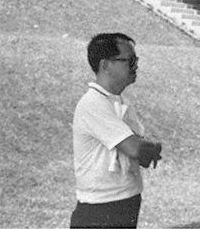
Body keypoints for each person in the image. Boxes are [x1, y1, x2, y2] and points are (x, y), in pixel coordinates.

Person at [70, 33, 163, 229]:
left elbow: (141, 155)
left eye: (136, 60)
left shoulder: (118, 101)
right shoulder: (93, 103)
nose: (135, 66)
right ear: (105, 65)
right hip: (101, 209)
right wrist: (149, 148)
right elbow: (135, 149)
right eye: (130, 60)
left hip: (123, 202)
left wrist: (146, 149)